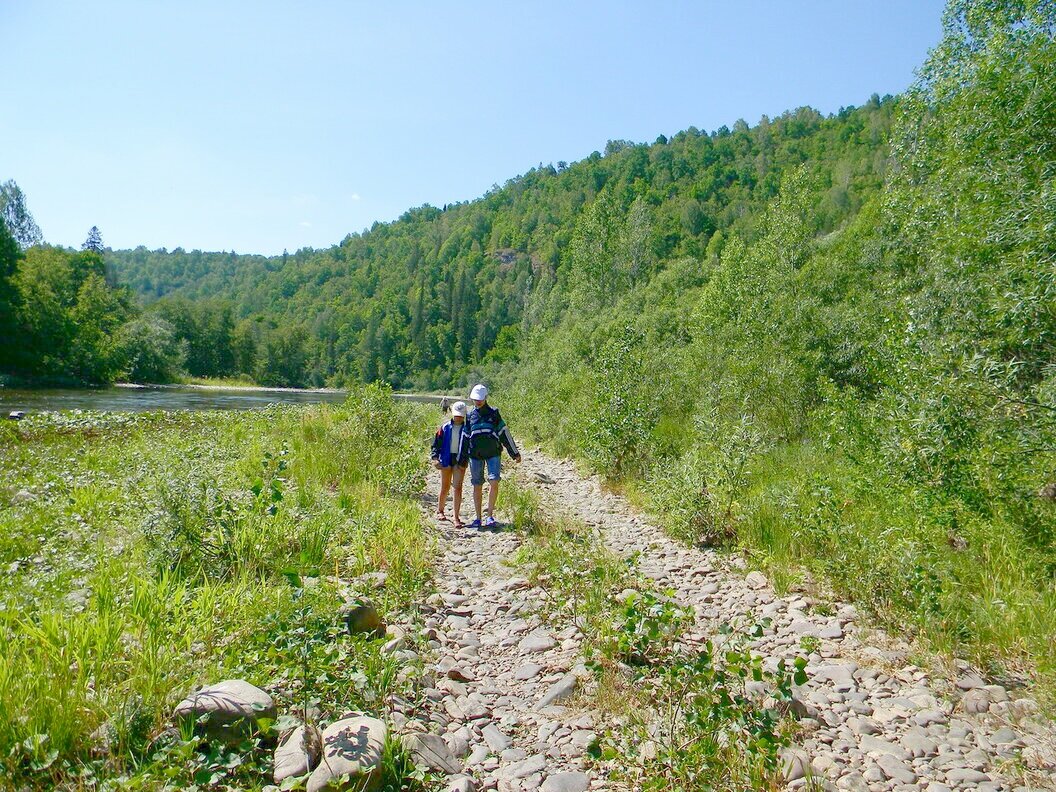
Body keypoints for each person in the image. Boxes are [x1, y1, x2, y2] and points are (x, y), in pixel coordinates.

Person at [466, 383, 521, 530]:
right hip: (475, 455)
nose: (478, 402)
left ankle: (490, 515)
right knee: (477, 484)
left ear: (486, 398)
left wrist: (514, 453)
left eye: (480, 399)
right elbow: (464, 438)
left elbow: (504, 433)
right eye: (475, 399)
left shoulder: (494, 413)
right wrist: (460, 458)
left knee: (494, 481)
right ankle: (477, 518)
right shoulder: (470, 415)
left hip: (493, 453)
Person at [430, 400, 469, 527]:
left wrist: (467, 461)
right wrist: (435, 458)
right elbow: (436, 444)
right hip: (446, 458)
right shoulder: (444, 427)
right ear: (452, 414)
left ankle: (456, 517)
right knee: (445, 486)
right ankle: (440, 510)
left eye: (460, 415)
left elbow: (470, 447)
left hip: (459, 460)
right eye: (456, 414)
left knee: (457, 488)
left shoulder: (467, 430)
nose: (458, 417)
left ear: (464, 416)